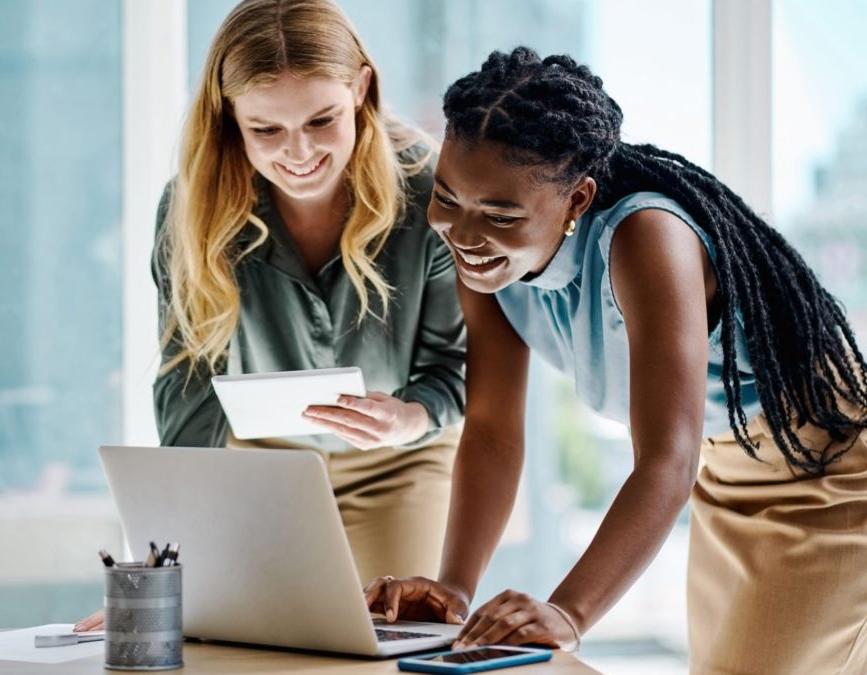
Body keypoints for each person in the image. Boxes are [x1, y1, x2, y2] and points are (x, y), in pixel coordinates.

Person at [365, 47, 867, 674]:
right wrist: (454, 591)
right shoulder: (482, 259)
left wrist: (570, 614)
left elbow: (665, 457)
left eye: (499, 215)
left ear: (577, 199)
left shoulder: (647, 238)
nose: (465, 234)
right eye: (447, 197)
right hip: (724, 467)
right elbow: (493, 430)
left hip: (825, 468)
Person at [74, 0, 465, 633]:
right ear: (230, 117)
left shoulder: (429, 189)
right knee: (241, 640)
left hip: (401, 460)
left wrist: (410, 416)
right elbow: (188, 385)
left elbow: (455, 367)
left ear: (361, 88)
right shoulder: (193, 208)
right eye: (266, 130)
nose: (299, 152)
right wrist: (169, 565)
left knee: (391, 639)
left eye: (322, 119)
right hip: (261, 464)